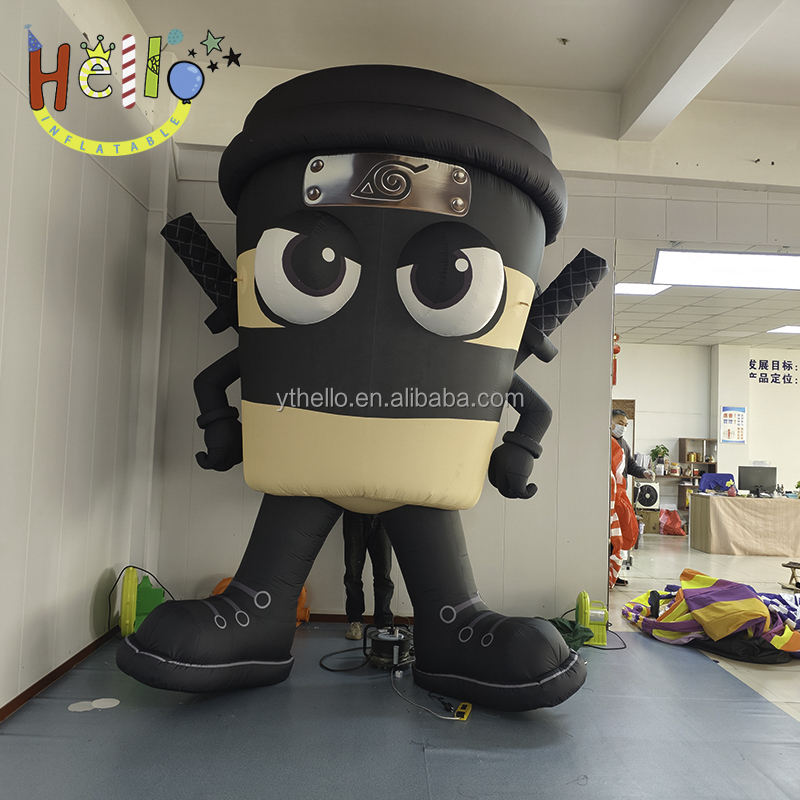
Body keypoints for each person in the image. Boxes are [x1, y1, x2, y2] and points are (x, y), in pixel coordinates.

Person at [609, 410, 652, 588]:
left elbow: (631, 465)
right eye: (620, 423)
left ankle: (615, 573)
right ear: (610, 422)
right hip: (608, 497)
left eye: (626, 425)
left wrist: (644, 472)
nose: (623, 427)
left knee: (623, 535)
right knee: (612, 538)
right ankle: (606, 574)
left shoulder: (624, 444)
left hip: (620, 497)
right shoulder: (603, 441)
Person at [342, 511, 394, 639]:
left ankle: (384, 622)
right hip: (354, 513)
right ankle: (355, 621)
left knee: (383, 574)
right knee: (353, 575)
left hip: (383, 514)